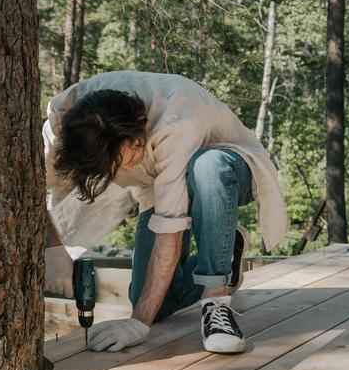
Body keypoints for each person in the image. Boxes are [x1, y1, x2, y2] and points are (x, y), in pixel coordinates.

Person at [43, 70, 287, 354]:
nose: (129, 162)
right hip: (160, 187)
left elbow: (169, 234)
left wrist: (138, 324)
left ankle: (216, 304)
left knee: (207, 166)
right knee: (151, 304)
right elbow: (26, 186)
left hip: (230, 169)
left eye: (130, 153)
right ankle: (228, 249)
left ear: (137, 133)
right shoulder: (65, 125)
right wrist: (54, 249)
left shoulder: (176, 122)